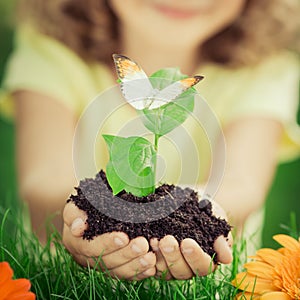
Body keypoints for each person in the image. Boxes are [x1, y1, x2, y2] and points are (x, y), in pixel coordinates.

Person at [1, 0, 299, 280]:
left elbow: (241, 184)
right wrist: (87, 217)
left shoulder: (262, 70)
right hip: (62, 285)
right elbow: (44, 177)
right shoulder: (53, 53)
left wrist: (193, 218)